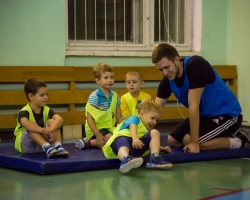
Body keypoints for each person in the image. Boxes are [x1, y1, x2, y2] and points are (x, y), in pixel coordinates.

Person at [152, 43, 250, 153]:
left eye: (166, 67)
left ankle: (241, 140)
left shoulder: (196, 66)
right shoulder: (167, 81)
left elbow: (193, 106)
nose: (165, 73)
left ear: (176, 60)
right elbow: (154, 112)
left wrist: (194, 143)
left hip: (228, 115)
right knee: (172, 140)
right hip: (206, 116)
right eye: (160, 70)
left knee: (190, 140)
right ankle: (220, 136)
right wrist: (137, 137)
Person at [102, 99, 172, 174]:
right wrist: (135, 139)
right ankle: (125, 159)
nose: (154, 122)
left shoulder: (145, 129)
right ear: (141, 114)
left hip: (137, 147)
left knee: (155, 132)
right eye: (152, 118)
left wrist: (161, 148)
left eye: (157, 120)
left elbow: (150, 143)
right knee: (122, 141)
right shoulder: (135, 118)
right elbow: (133, 126)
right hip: (122, 141)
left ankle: (154, 158)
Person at [14, 78, 69, 158]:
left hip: (42, 146)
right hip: (28, 147)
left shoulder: (46, 109)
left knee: (52, 121)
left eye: (47, 94)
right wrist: (43, 131)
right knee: (32, 125)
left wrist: (50, 129)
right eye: (42, 95)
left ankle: (57, 146)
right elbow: (26, 124)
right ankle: (46, 146)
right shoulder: (24, 111)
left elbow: (60, 119)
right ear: (31, 96)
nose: (46, 97)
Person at [75, 62, 124, 149]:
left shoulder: (115, 96)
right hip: (96, 129)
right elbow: (89, 119)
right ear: (98, 81)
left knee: (122, 138)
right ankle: (90, 141)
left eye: (111, 77)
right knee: (114, 140)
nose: (109, 80)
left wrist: (125, 129)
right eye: (106, 77)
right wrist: (97, 134)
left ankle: (88, 143)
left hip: (109, 129)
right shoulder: (94, 97)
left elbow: (119, 117)